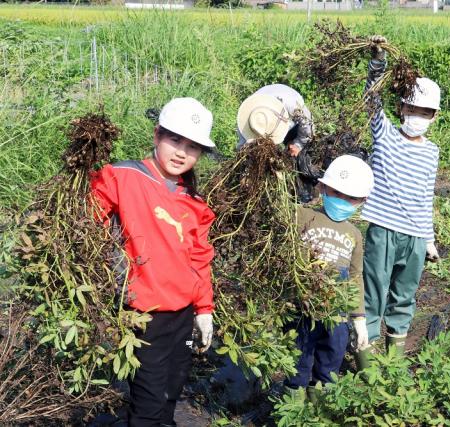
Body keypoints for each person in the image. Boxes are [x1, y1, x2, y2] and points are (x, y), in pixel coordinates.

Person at [91, 98, 216, 426]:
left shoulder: (192, 200)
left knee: (171, 391)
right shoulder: (122, 176)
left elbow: (200, 258)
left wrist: (205, 311)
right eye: (174, 140)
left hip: (183, 316)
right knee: (147, 402)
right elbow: (86, 222)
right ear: (157, 134)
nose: (181, 153)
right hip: (144, 316)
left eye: (192, 147)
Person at [359, 36, 441, 364]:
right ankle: (367, 371)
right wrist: (377, 61)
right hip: (383, 230)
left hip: (415, 238)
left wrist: (429, 240)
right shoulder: (386, 135)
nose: (418, 115)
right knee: (374, 295)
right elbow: (371, 100)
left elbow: (425, 196)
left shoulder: (432, 151)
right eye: (413, 108)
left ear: (434, 116)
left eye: (426, 111)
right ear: (402, 108)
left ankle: (391, 367)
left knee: (403, 298)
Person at [284, 155, 374, 402]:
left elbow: (355, 278)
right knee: (297, 364)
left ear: (362, 201)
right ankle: (292, 411)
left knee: (329, 366)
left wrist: (359, 319)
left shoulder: (354, 234)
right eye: (336, 192)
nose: (342, 201)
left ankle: (319, 412)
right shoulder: (301, 215)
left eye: (351, 198)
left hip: (336, 315)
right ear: (322, 187)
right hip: (301, 309)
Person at [237, 84, 319, 203]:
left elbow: (308, 125)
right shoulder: (249, 121)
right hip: (267, 117)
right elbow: (242, 148)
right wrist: (245, 171)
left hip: (290, 120)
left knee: (298, 155)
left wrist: (298, 144)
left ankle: (303, 193)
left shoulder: (293, 107)